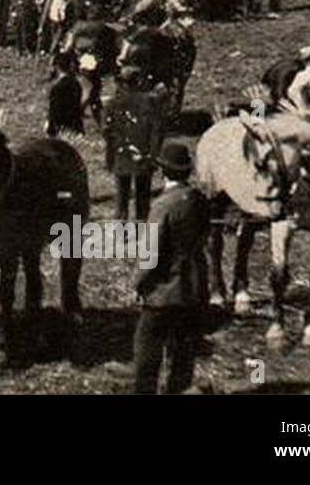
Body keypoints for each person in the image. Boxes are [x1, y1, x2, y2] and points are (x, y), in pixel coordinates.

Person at [133, 140, 210, 394]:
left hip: (162, 294)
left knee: (147, 353)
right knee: (182, 353)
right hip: (193, 290)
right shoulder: (198, 199)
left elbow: (150, 254)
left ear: (162, 171)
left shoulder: (163, 205)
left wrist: (138, 284)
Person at [103, 65, 168, 222]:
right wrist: (154, 155)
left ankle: (121, 233)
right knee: (143, 198)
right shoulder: (151, 102)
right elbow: (157, 132)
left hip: (121, 154)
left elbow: (107, 132)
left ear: (122, 83)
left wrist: (110, 156)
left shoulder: (112, 104)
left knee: (121, 198)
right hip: (143, 155)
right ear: (138, 82)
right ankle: (140, 233)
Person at [47, 51, 84, 136]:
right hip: (75, 127)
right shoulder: (76, 84)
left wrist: (50, 129)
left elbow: (55, 112)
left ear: (56, 67)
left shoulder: (58, 88)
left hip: (62, 130)